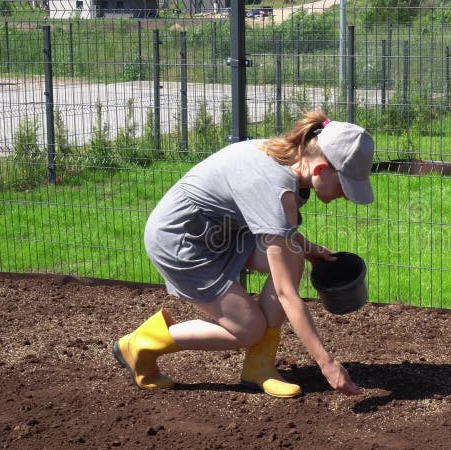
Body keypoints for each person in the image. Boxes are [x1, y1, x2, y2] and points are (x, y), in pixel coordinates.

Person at [112, 111, 374, 398]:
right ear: (320, 170)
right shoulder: (277, 190)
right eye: (344, 187)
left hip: (221, 232)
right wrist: (327, 363)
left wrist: (310, 251)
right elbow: (287, 294)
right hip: (181, 240)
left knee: (294, 253)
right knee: (249, 328)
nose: (346, 196)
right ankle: (140, 344)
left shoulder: (288, 161)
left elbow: (275, 229)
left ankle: (259, 367)